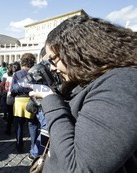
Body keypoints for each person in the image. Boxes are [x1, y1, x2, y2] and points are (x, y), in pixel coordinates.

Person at [28, 15, 137, 173]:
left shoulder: (122, 84)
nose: (51, 68)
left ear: (76, 51)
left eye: (53, 60)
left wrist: (50, 100)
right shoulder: (90, 81)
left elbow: (76, 168)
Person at [11, 53, 37, 153]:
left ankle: (19, 147)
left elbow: (12, 89)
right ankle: (34, 149)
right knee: (33, 126)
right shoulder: (34, 72)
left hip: (19, 102)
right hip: (31, 101)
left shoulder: (17, 74)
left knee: (19, 126)